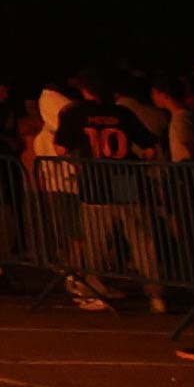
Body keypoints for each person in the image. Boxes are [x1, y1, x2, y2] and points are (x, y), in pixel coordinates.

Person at [66, 88, 170, 313]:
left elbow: (61, 147)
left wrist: (78, 163)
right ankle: (156, 295)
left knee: (97, 240)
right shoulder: (122, 113)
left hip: (96, 182)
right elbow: (150, 148)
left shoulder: (76, 114)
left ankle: (97, 290)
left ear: (84, 89)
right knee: (142, 239)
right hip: (125, 177)